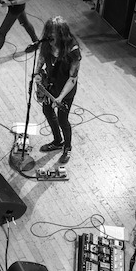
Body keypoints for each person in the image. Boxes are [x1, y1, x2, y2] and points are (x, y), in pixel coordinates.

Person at [34, 16, 80, 164]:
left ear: (61, 34)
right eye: (48, 33)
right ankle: (57, 141)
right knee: (47, 111)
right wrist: (37, 74)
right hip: (50, 85)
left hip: (65, 90)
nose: (49, 37)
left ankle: (67, 147)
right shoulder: (47, 44)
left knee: (62, 119)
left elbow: (73, 78)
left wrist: (60, 97)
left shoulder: (72, 50)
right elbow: (41, 59)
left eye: (53, 34)